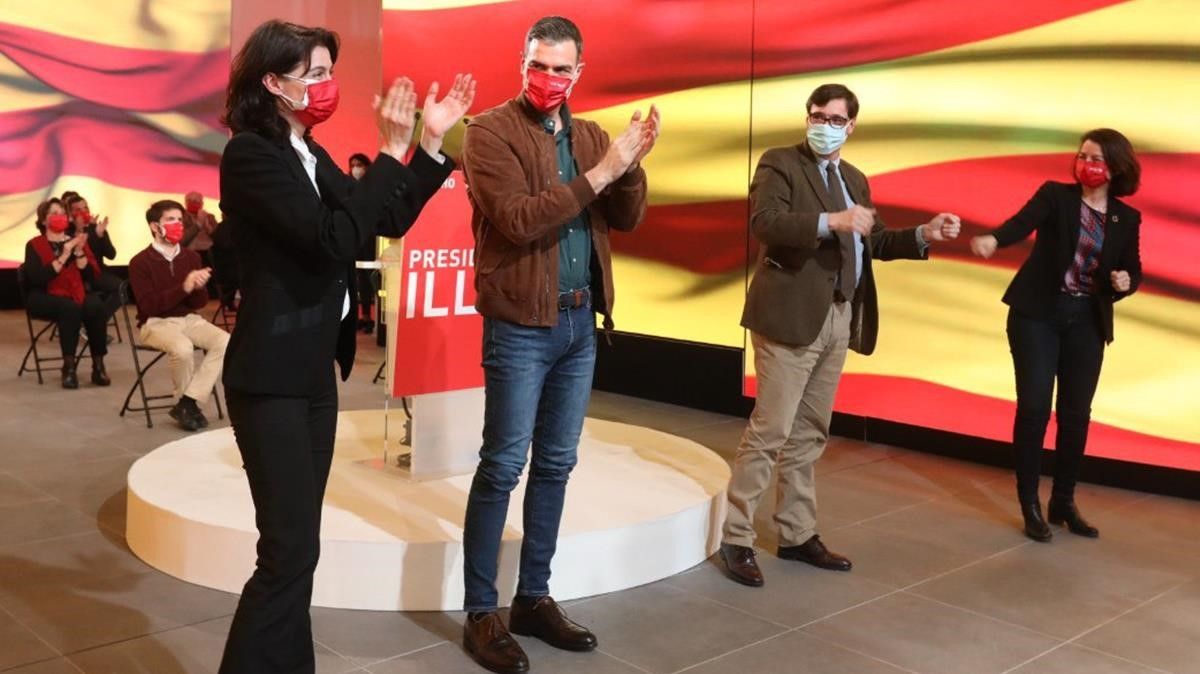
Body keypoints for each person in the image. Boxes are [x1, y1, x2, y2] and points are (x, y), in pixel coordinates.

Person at [215, 19, 472, 673]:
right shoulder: (252, 154)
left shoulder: (307, 151)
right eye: (318, 74)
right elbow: (331, 239)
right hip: (269, 376)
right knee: (288, 551)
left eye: (331, 71)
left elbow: (379, 220)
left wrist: (430, 146)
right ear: (274, 82)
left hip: (311, 377)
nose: (329, 86)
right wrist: (389, 151)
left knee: (300, 548)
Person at [459, 16, 658, 674]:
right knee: (502, 465)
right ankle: (481, 611)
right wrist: (603, 171)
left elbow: (624, 217)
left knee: (556, 466)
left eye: (561, 69)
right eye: (538, 66)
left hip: (579, 324)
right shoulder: (489, 131)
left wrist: (630, 168)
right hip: (519, 323)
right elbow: (517, 219)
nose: (548, 79)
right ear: (523, 64)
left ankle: (533, 598)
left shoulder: (594, 134)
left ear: (580, 71)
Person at [718, 83, 961, 588]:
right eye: (816, 116)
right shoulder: (780, 162)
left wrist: (923, 235)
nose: (823, 126)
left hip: (837, 319)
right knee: (771, 432)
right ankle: (736, 537)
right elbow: (767, 223)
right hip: (789, 317)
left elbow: (874, 238)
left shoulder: (853, 177)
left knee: (810, 432)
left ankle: (796, 532)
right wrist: (833, 221)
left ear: (851, 126)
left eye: (834, 119)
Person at [969, 129, 1142, 542]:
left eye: (1097, 158)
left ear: (1116, 167)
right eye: (1082, 155)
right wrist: (993, 238)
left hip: (1087, 320)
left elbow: (1133, 269)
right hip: (1038, 316)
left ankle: (1063, 501)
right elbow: (1020, 224)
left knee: (1076, 415)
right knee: (1033, 410)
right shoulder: (1055, 196)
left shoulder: (1125, 217)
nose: (1087, 164)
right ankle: (1029, 502)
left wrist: (1125, 280)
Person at [128, 199, 229, 432]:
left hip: (189, 319)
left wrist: (198, 288)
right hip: (155, 323)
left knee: (225, 341)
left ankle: (188, 402)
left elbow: (199, 304)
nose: (177, 225)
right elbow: (149, 306)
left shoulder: (191, 257)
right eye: (170, 220)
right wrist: (183, 287)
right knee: (182, 348)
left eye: (179, 220)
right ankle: (187, 407)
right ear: (155, 226)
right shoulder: (140, 262)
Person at [23, 199, 113, 388]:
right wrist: (65, 254)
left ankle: (98, 366)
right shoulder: (35, 245)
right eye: (54, 214)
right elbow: (38, 278)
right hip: (42, 295)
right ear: (43, 221)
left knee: (95, 305)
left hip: (74, 292)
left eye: (62, 213)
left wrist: (79, 252)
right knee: (69, 308)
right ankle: (69, 367)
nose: (60, 217)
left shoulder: (75, 240)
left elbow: (90, 277)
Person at [349, 152, 378, 333]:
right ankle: (364, 316)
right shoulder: (348, 186)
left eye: (359, 164)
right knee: (359, 278)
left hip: (373, 239)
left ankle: (378, 319)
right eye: (352, 165)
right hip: (356, 238)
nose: (355, 169)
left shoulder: (374, 186)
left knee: (372, 278)